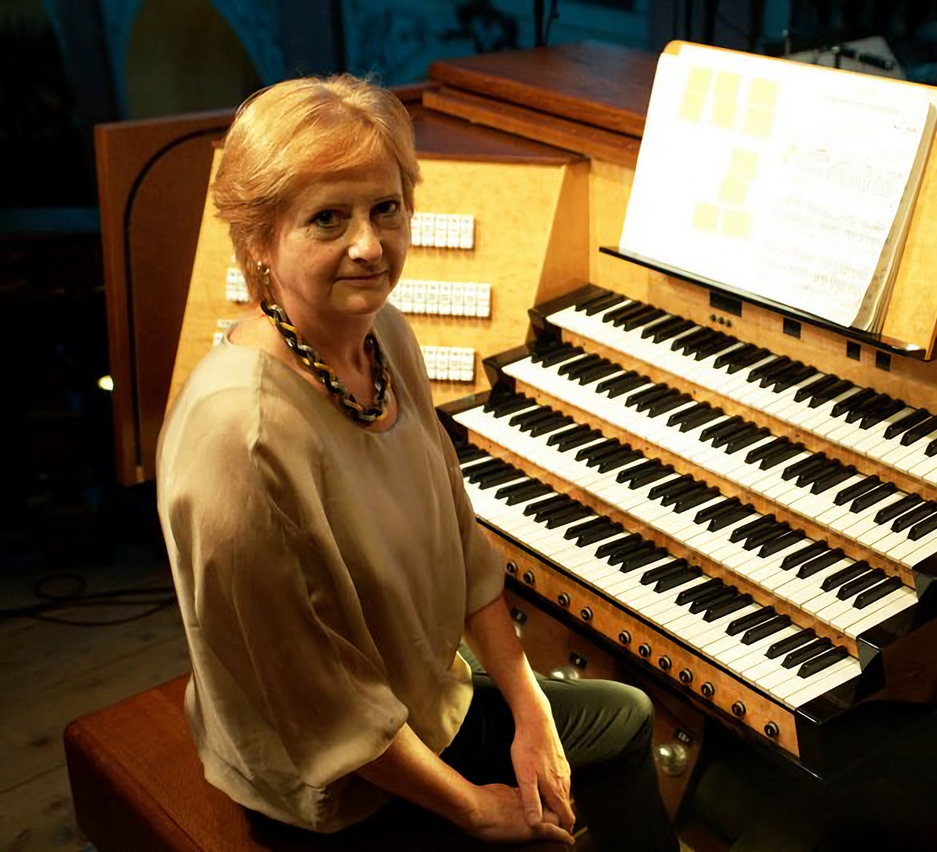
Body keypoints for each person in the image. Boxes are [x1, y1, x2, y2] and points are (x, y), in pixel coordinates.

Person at [156, 73, 679, 850]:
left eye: (385, 208)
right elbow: (320, 707)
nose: (369, 246)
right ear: (260, 242)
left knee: (611, 720)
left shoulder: (383, 335)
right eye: (327, 218)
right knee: (621, 730)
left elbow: (458, 536)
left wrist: (529, 706)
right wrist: (473, 808)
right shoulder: (241, 437)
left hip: (422, 695)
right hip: (334, 784)